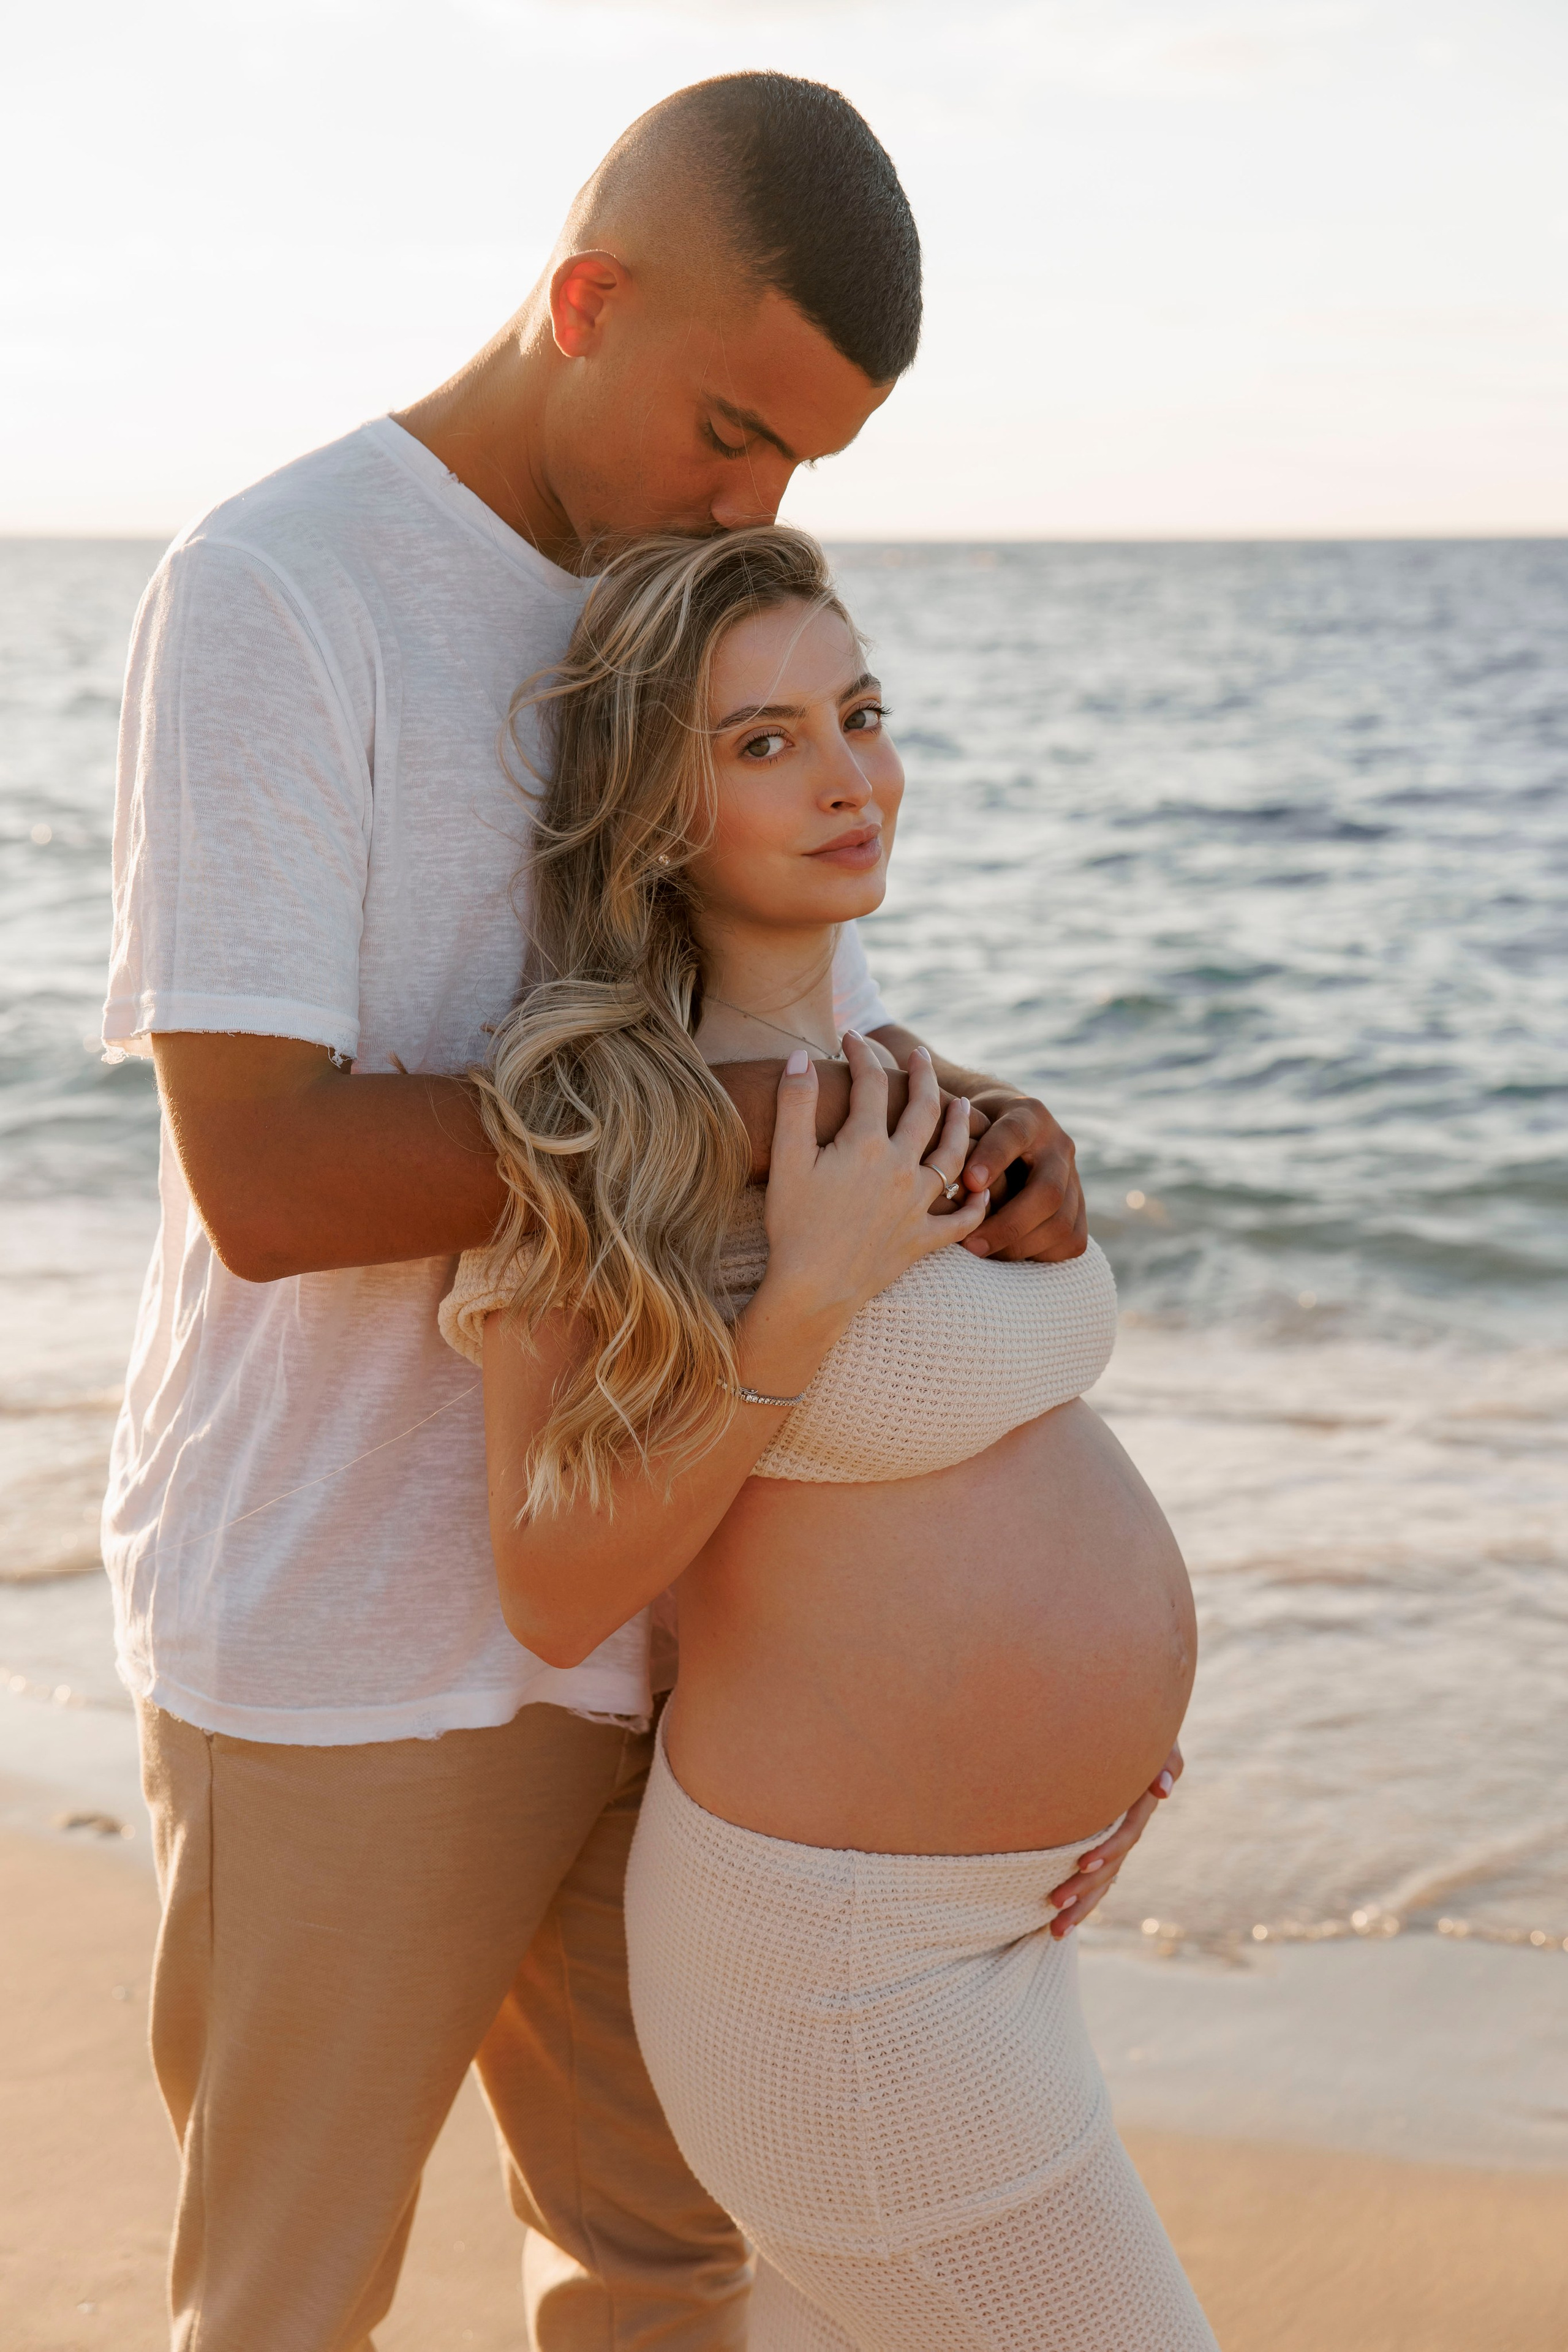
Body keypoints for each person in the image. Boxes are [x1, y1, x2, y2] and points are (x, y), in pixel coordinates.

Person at [104, 70, 1174, 2352]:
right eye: (729, 428)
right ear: (586, 299)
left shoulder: (690, 603)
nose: (751, 498)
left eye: (803, 465)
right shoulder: (282, 587)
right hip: (351, 1639)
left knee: (665, 2277)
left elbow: (776, 1075)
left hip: (686, 1645)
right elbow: (267, 1173)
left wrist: (969, 1146)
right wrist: (745, 1111)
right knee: (288, 2300)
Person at [447, 522, 1213, 2351]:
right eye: (765, 741)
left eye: (861, 715)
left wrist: (1110, 1751)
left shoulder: (916, 1081)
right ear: (653, 810)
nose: (852, 777)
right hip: (835, 1982)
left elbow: (980, 1483)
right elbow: (552, 1587)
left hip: (1002, 1931)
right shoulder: (591, 1126)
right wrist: (803, 1301)